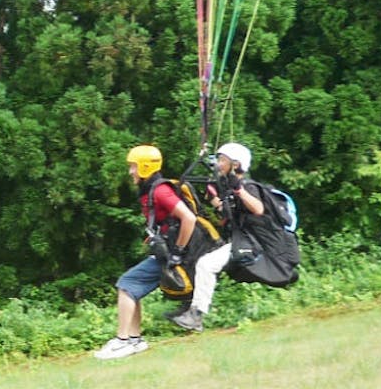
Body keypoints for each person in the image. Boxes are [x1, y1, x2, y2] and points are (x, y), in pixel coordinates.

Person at [94, 145, 197, 360]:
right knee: (132, 287)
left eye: (133, 166)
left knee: (126, 285)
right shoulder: (150, 189)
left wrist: (177, 252)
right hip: (165, 252)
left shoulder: (160, 190)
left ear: (145, 167)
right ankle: (134, 340)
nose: (130, 171)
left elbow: (189, 218)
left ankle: (123, 341)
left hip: (174, 255)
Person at [170, 142, 264, 332]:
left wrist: (239, 190)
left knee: (206, 264)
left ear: (235, 165)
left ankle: (196, 316)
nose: (218, 164)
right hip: (237, 240)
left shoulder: (247, 186)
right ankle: (188, 306)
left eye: (222, 160)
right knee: (196, 258)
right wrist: (213, 198)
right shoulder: (229, 188)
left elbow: (258, 208)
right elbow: (227, 211)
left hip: (251, 242)